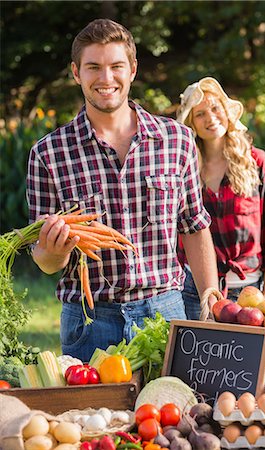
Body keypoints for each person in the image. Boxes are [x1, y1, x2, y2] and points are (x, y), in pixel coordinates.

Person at [26, 19, 219, 362]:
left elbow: (194, 225)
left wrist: (210, 297)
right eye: (93, 67)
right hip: (89, 321)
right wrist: (54, 251)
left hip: (166, 312)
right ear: (76, 72)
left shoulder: (176, 140)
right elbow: (44, 259)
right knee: (90, 417)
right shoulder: (49, 154)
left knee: (176, 414)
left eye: (116, 66)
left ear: (132, 70)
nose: (105, 78)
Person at [176, 77, 265, 320]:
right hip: (195, 290)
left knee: (247, 358)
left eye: (215, 108)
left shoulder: (257, 163)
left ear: (226, 111)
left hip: (248, 292)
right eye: (200, 114)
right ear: (191, 123)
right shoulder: (185, 169)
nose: (210, 118)